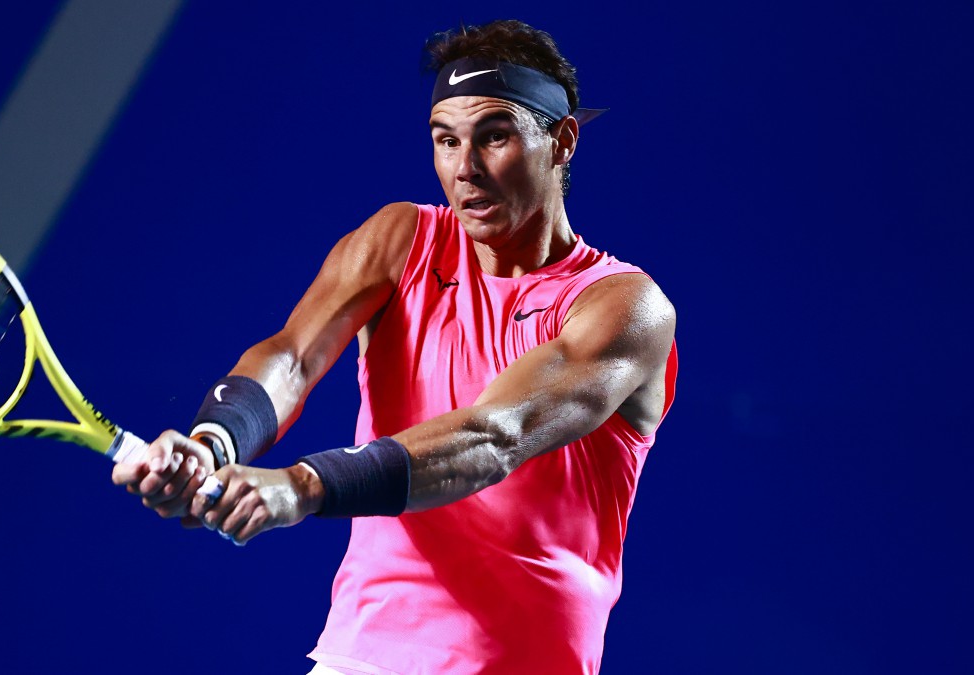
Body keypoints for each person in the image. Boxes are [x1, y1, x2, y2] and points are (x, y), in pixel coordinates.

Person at [112, 19, 677, 675]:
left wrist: (302, 485)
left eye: (494, 136)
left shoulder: (625, 307)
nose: (465, 169)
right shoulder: (400, 240)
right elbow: (293, 357)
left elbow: (494, 436)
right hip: (365, 653)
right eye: (446, 140)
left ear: (562, 140)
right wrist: (214, 442)